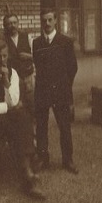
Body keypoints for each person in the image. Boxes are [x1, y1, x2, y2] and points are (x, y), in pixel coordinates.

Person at [0, 40, 44, 199]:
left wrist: (6, 82)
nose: (2, 59)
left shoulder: (12, 72)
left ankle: (29, 176)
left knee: (22, 118)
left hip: (8, 117)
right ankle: (30, 167)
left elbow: (13, 100)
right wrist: (7, 107)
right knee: (18, 120)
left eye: (5, 55)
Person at [33, 9, 78, 173]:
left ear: (56, 21)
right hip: (42, 91)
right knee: (41, 126)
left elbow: (72, 67)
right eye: (44, 20)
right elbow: (38, 66)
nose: (47, 23)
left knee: (64, 126)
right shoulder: (36, 43)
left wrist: (65, 86)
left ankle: (68, 160)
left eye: (50, 20)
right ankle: (43, 158)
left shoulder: (65, 41)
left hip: (60, 91)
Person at [4, 13, 35, 121]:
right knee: (17, 106)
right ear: (5, 26)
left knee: (31, 104)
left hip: (28, 77)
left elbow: (38, 55)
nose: (12, 25)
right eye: (9, 24)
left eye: (14, 23)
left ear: (18, 23)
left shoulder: (27, 37)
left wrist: (28, 56)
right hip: (13, 79)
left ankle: (33, 133)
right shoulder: (4, 40)